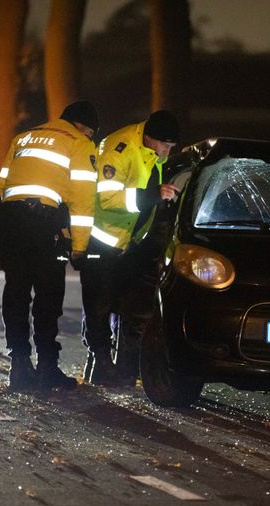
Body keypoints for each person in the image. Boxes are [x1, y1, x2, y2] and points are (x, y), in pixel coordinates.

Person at [0, 101, 99, 391]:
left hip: (11, 224)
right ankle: (47, 368)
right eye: (91, 132)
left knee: (16, 292)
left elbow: (0, 187)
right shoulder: (79, 144)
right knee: (48, 296)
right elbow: (83, 202)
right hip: (44, 227)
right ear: (83, 127)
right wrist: (80, 246)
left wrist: (1, 229)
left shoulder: (23, 137)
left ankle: (19, 366)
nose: (90, 137)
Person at [80, 110, 180, 386]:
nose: (167, 154)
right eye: (166, 146)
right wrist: (151, 196)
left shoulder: (150, 152)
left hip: (128, 243)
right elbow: (108, 198)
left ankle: (119, 367)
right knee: (99, 305)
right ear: (150, 137)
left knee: (123, 303)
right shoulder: (119, 148)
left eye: (172, 148)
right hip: (103, 239)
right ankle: (100, 363)